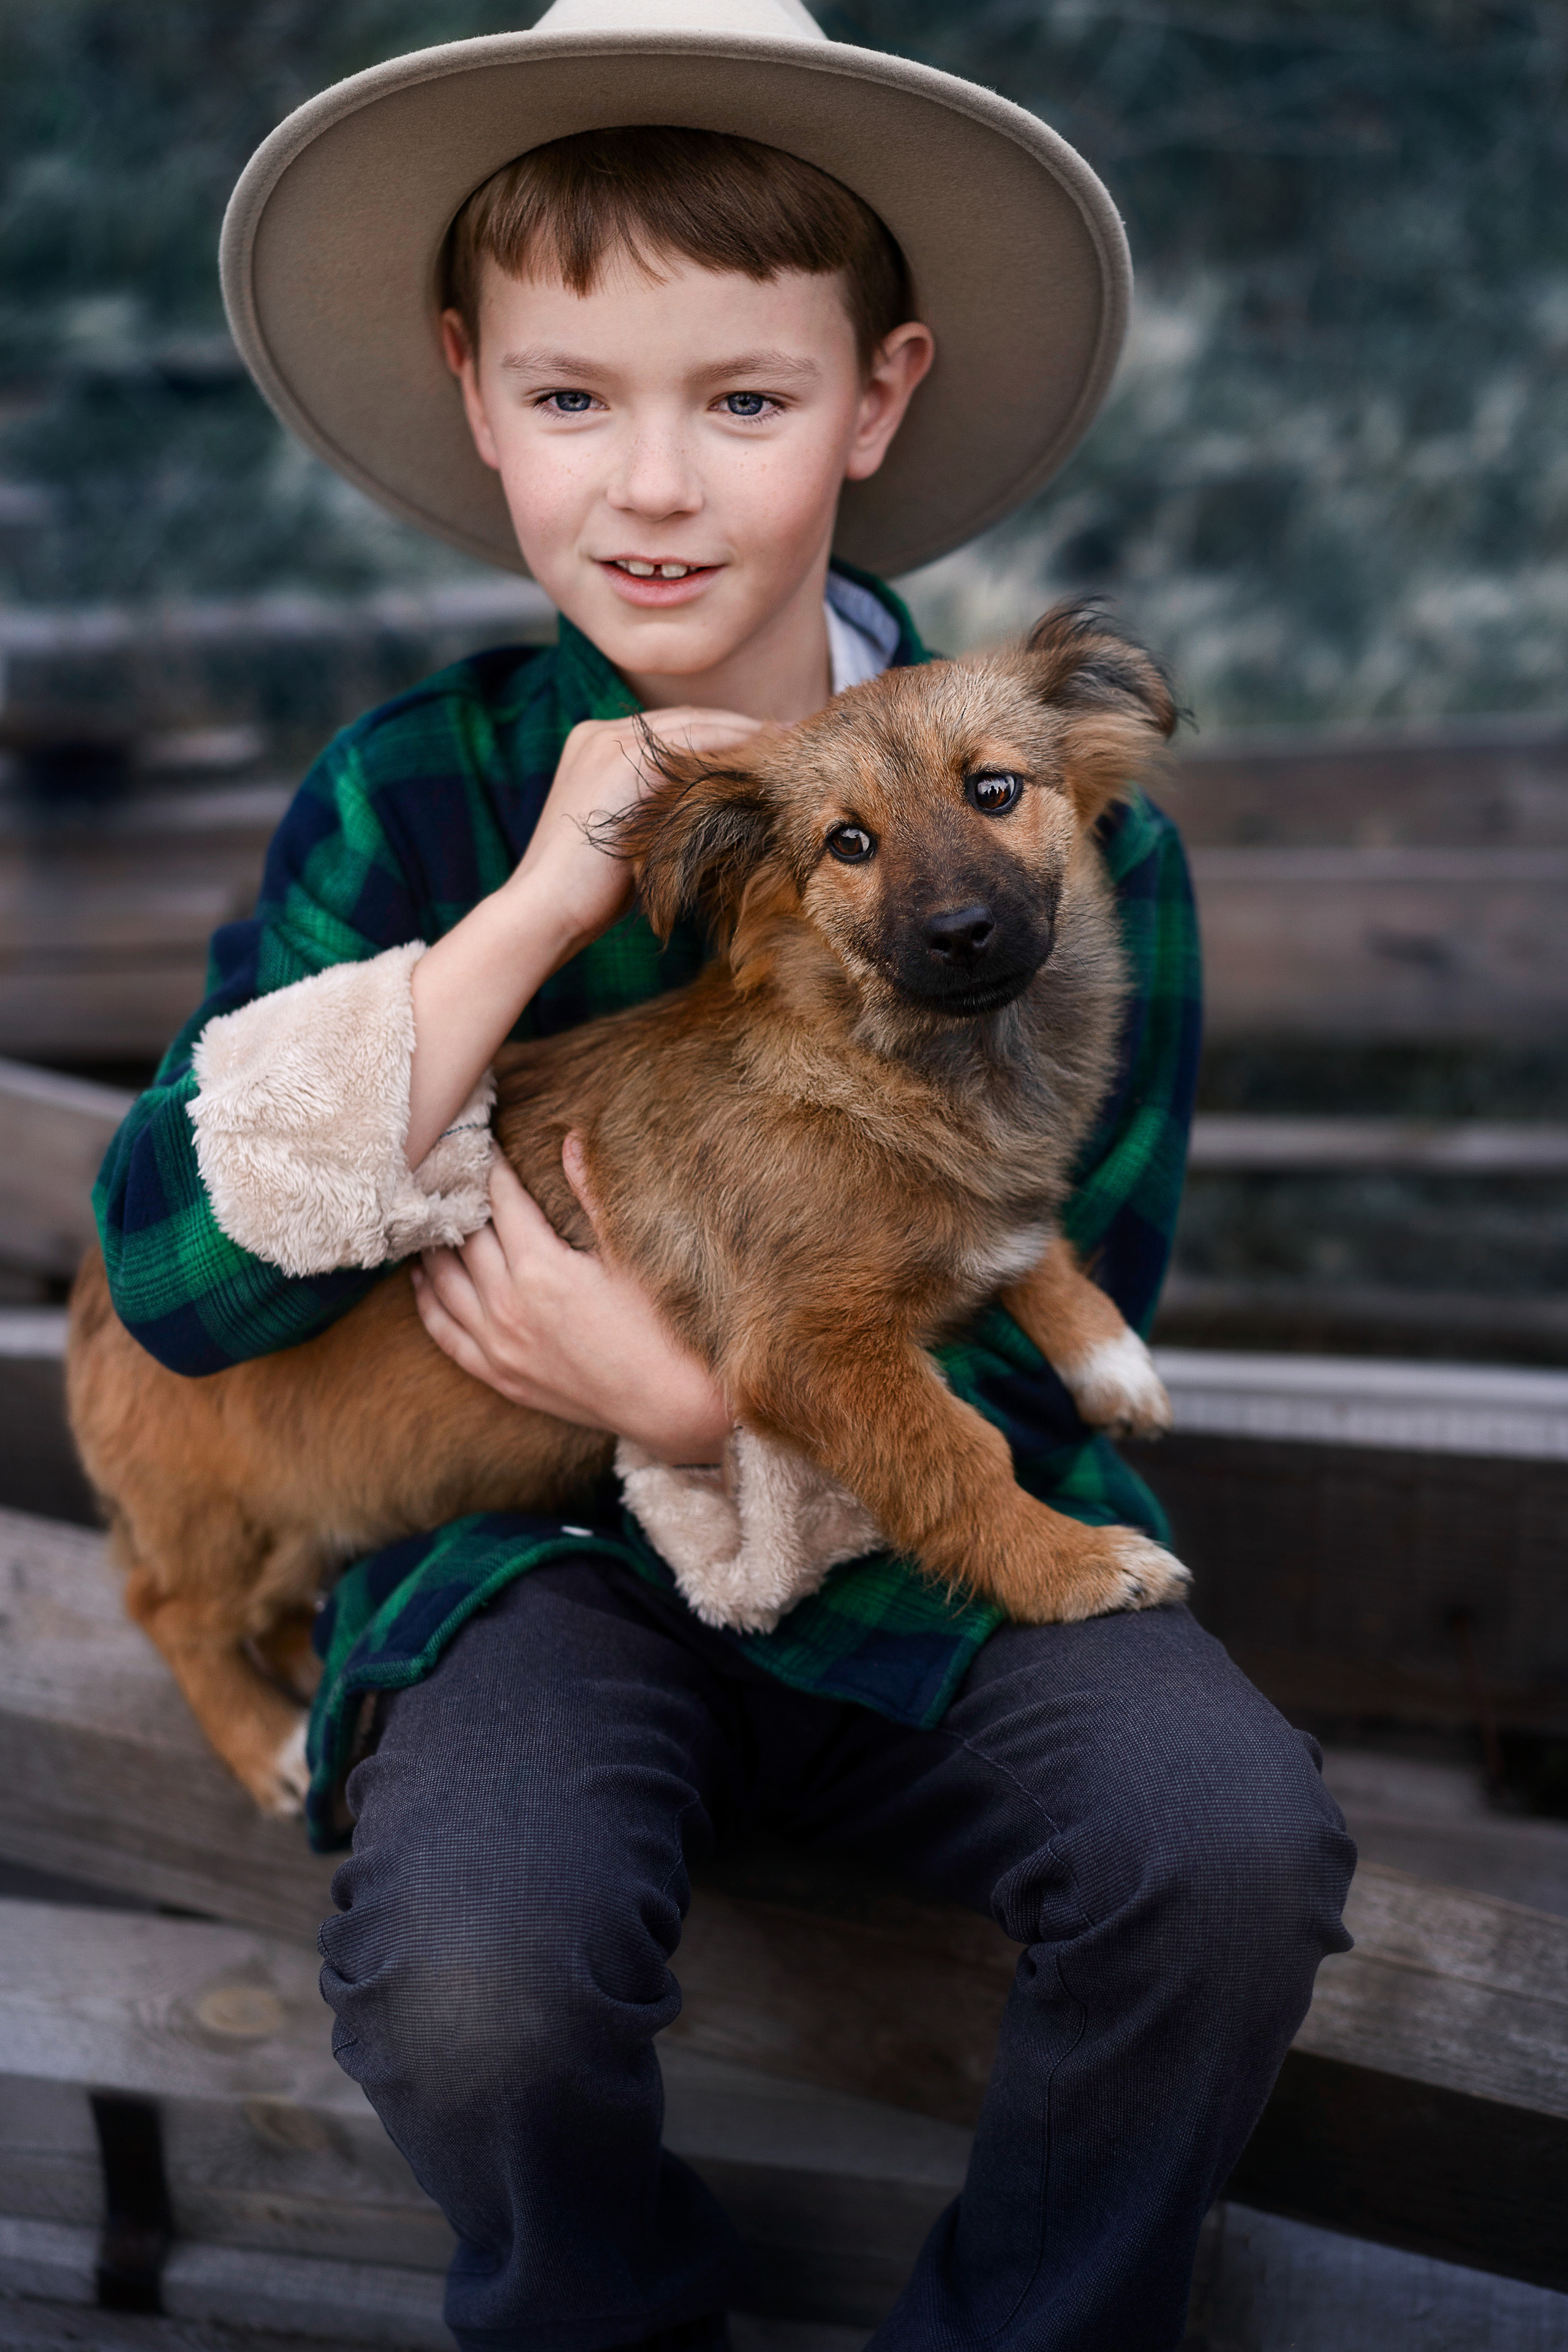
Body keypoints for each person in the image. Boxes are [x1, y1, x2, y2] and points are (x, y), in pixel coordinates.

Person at [94, 4, 1355, 2345]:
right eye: (576, 399)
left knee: (1228, 1846)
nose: (652, 488)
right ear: (477, 398)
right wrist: (527, 921)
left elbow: (1066, 1350)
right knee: (475, 1964)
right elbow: (178, 1285)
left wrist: (696, 1407)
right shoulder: (410, 795)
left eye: (743, 400)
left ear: (877, 397)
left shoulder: (1060, 838)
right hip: (512, 1564)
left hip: (909, 1536)